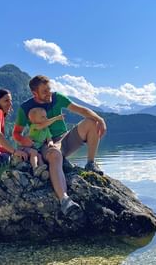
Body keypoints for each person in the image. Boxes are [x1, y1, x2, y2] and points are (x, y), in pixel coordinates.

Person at [13, 75, 107, 220]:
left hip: (64, 139)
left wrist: (99, 119)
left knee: (91, 122)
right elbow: (17, 133)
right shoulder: (25, 108)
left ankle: (91, 163)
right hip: (45, 144)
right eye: (44, 91)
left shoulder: (58, 98)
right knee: (55, 155)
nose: (49, 93)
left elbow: (81, 110)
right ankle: (65, 200)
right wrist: (29, 144)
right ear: (34, 93)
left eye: (49, 89)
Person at [24, 107, 64, 178]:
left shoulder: (46, 129)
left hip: (38, 148)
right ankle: (35, 168)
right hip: (28, 147)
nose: (46, 118)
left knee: (39, 156)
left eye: (46, 116)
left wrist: (51, 143)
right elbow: (42, 126)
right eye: (42, 117)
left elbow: (49, 138)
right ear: (33, 120)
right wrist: (56, 118)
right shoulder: (34, 126)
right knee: (34, 153)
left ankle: (42, 171)